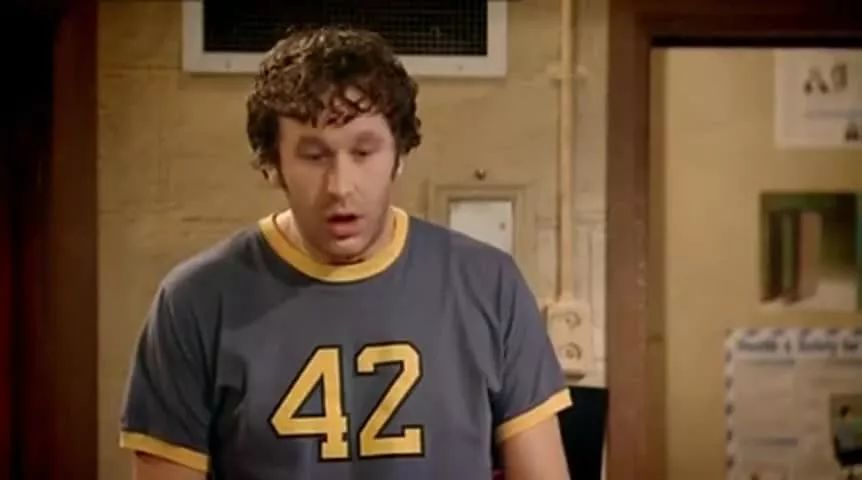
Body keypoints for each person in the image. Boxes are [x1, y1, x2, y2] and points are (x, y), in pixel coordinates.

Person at [119, 25, 572, 480]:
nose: (340, 187)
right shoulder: (195, 301)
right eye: (314, 156)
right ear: (273, 164)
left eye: (364, 152)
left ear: (399, 155)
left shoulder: (488, 284)